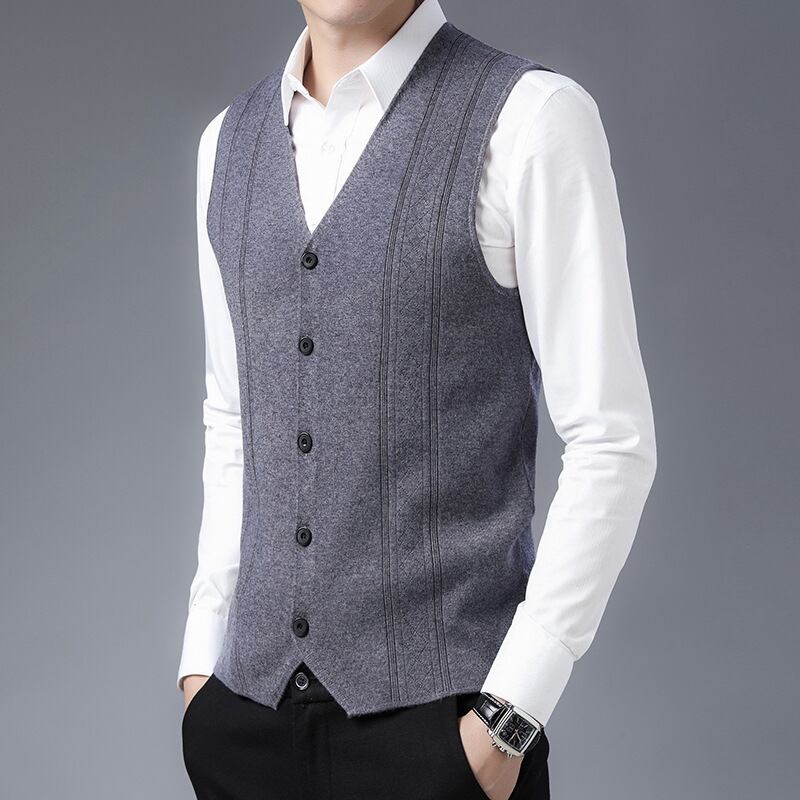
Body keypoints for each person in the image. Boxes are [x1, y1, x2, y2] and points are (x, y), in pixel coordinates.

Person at [176, 1, 657, 798]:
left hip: (443, 741)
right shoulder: (225, 146)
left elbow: (613, 442)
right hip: (247, 729)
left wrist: (507, 721)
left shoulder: (531, 120)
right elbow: (233, 418)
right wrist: (202, 667)